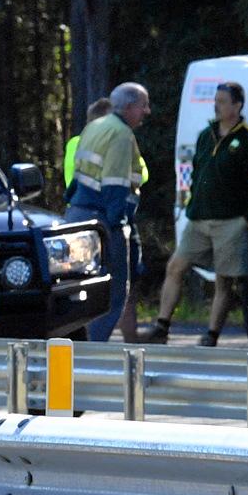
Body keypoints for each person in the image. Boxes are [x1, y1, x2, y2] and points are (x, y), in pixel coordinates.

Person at [148, 80, 248, 346]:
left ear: (237, 105)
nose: (217, 105)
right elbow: (197, 172)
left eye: (223, 101)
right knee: (176, 266)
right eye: (216, 100)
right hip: (199, 217)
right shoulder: (206, 134)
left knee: (224, 281)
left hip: (231, 221)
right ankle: (161, 326)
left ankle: (211, 334)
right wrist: (191, 203)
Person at [67, 82, 152, 343]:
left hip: (77, 215)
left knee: (80, 287)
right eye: (143, 106)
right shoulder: (121, 134)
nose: (147, 112)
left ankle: (76, 345)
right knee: (115, 292)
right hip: (103, 220)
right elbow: (115, 184)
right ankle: (93, 351)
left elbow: (77, 178)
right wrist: (117, 225)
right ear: (128, 107)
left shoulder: (95, 126)